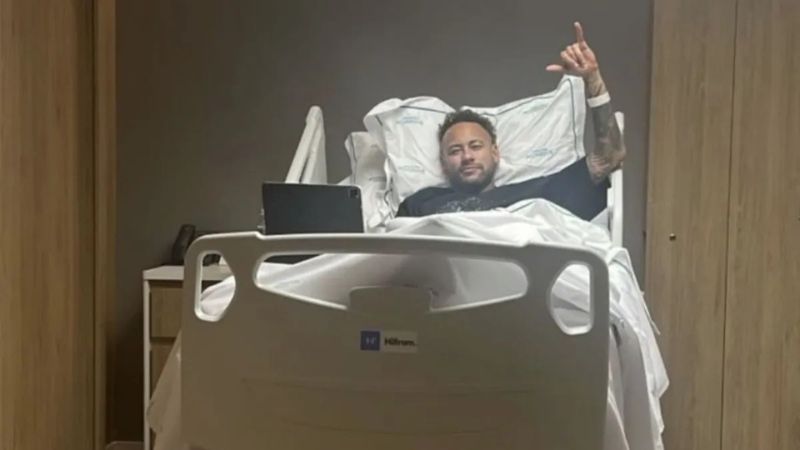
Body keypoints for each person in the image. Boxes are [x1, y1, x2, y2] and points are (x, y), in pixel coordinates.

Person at [397, 22, 626, 221]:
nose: (467, 156)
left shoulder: (540, 191)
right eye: (455, 150)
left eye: (476, 146)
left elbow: (609, 157)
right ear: (443, 163)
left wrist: (593, 80)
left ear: (495, 152)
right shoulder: (420, 203)